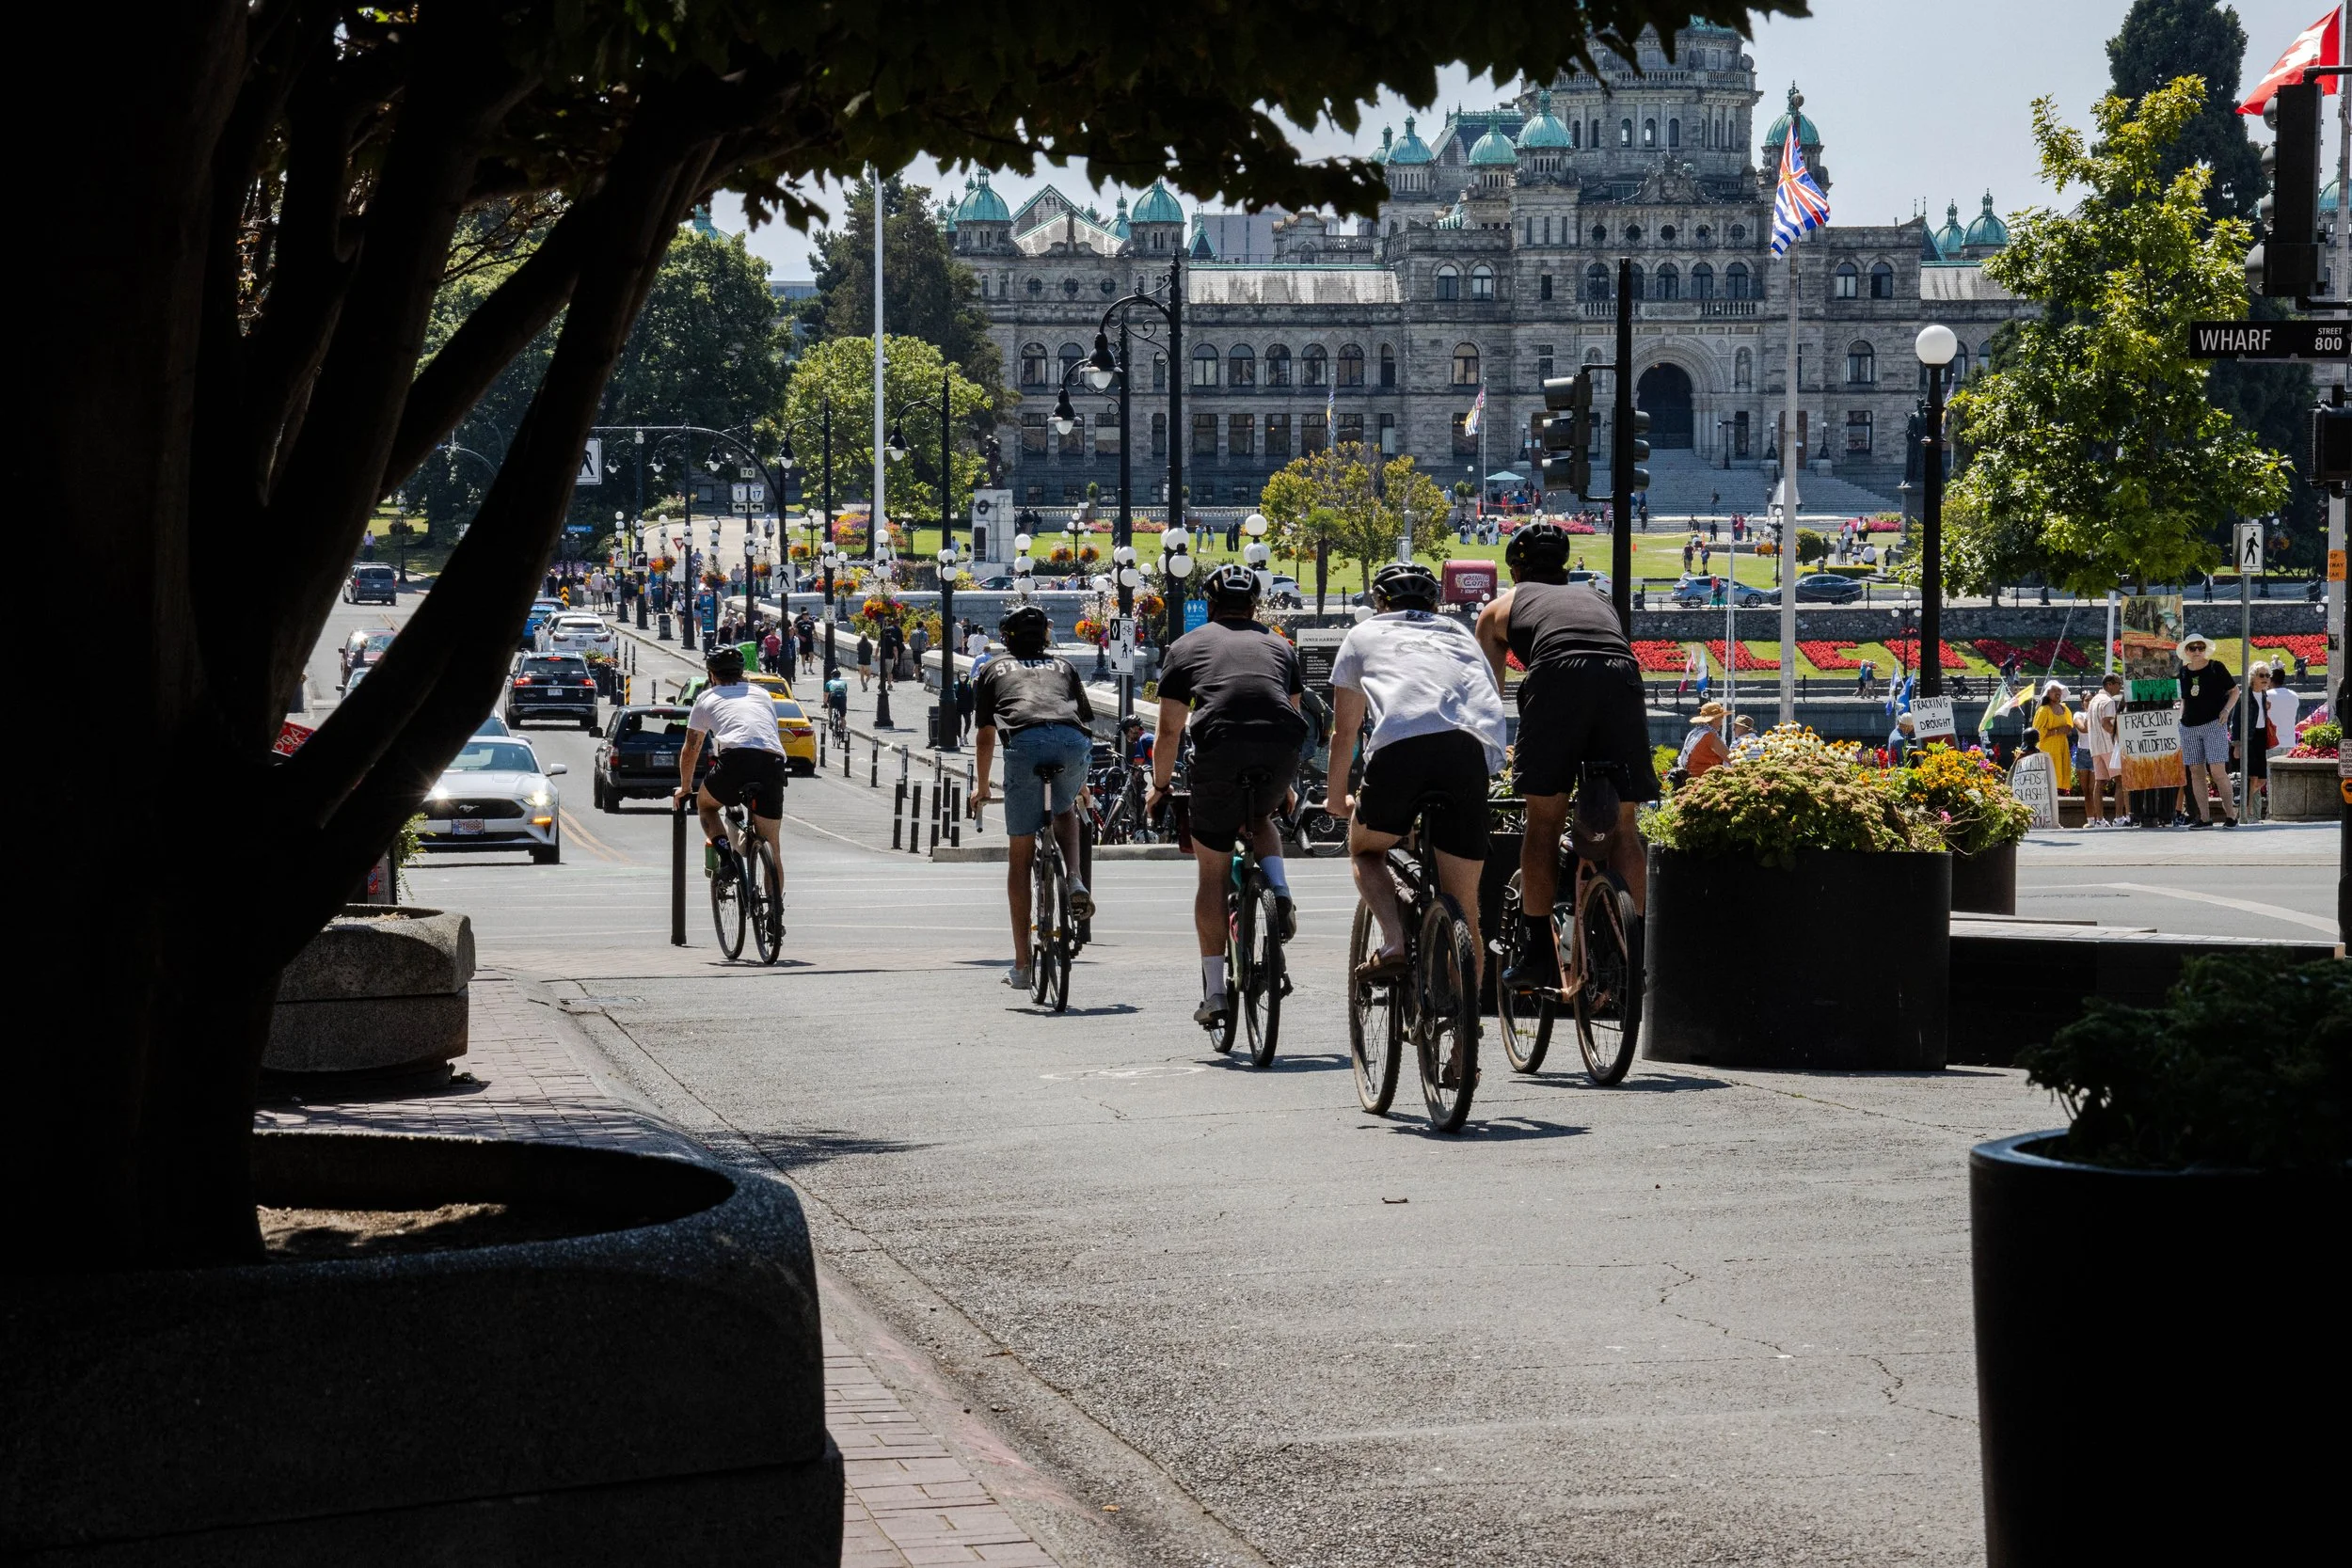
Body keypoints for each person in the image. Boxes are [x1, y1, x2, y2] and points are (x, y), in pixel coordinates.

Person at [1328, 563, 1507, 1046]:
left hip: (1400, 746)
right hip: (1467, 751)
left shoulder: (1363, 634)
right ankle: (1465, 1039)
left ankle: (1393, 940)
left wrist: (1336, 797)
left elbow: (1345, 731)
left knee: (1366, 850)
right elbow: (1489, 691)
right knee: (1466, 908)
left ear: (1380, 602)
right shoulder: (1458, 632)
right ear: (1434, 604)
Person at [1473, 520, 1655, 991]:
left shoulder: (1501, 608)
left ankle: (1536, 953)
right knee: (1626, 827)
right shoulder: (1598, 599)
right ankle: (1633, 953)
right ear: (1564, 567)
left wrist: (1490, 754)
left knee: (1544, 823)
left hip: (1556, 678)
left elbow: (1488, 697)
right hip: (1621, 677)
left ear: (1516, 570)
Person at [1146, 562, 1310, 1031]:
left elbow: (1169, 730)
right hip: (1280, 749)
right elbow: (1291, 714)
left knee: (1213, 872)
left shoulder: (1185, 646)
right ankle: (1279, 891)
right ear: (1255, 606)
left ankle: (1216, 992)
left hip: (1220, 748)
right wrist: (1285, 784)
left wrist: (1160, 787)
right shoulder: (1281, 646)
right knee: (1261, 818)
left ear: (1210, 604)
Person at [968, 606, 1096, 991]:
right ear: (1045, 636)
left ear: (1006, 637)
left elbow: (985, 736)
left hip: (1024, 742)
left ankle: (1023, 966)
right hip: (1072, 743)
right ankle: (1075, 879)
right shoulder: (1064, 667)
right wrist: (1080, 784)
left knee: (1020, 856)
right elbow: (1084, 722)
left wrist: (983, 787)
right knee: (1065, 808)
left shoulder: (992, 669)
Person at [674, 645, 787, 887]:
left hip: (735, 759)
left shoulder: (706, 698)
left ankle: (727, 859)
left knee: (706, 806)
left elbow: (691, 748)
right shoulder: (762, 694)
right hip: (772, 762)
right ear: (741, 672)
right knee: (772, 846)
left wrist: (685, 788)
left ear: (711, 675)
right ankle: (775, 909)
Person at [2174, 633, 2238, 827]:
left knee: (2218, 771)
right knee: (2196, 772)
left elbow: (2235, 691)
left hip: (2213, 724)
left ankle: (2231, 814)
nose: (2197, 651)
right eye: (2192, 648)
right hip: (2189, 726)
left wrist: (2226, 711)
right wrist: (2180, 719)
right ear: (2186, 651)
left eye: (2200, 647)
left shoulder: (2215, 667)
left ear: (2205, 649)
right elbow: (2184, 699)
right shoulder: (2183, 672)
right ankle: (2204, 817)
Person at [2084, 673, 2125, 825]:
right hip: (2109, 745)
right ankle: (2119, 818)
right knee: (2120, 780)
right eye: (2118, 683)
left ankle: (2100, 820)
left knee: (2099, 782)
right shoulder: (2108, 701)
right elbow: (2106, 723)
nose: (2120, 687)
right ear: (2109, 684)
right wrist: (2118, 736)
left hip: (2095, 747)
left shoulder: (2093, 701)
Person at [2031, 681, 2076, 796]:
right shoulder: (2043, 710)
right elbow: (2037, 732)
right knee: (2049, 777)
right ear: (2048, 693)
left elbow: (2069, 726)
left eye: (2059, 690)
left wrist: (2067, 730)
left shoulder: (2064, 709)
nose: (2057, 693)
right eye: (2054, 690)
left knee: (2059, 777)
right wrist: (2056, 731)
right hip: (2048, 748)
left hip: (2061, 746)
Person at [1676, 700, 1730, 782]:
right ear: (1714, 719)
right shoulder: (1709, 736)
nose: (1722, 723)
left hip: (1690, 776)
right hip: (1705, 779)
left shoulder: (1695, 732)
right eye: (1721, 718)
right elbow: (1730, 757)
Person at [2265, 660, 2299, 758]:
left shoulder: (2266, 696)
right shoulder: (2294, 696)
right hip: (2290, 743)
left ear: (2270, 680)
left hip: (2272, 743)